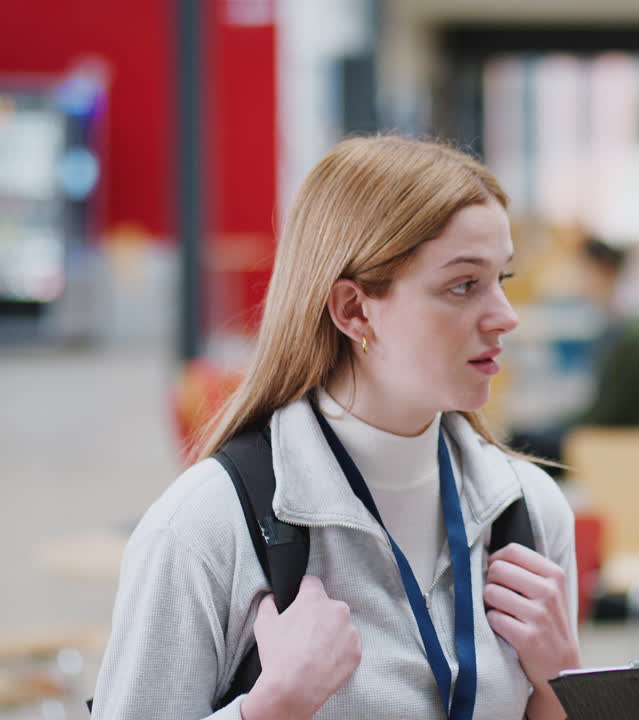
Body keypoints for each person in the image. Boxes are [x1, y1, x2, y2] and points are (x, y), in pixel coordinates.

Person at [90, 137, 579, 719]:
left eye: (503, 277)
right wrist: (271, 707)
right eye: (464, 285)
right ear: (352, 310)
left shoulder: (528, 512)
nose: (506, 314)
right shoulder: (206, 527)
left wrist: (560, 685)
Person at [510, 237, 639, 467]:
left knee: (521, 442)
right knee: (525, 435)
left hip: (627, 443)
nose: (577, 280)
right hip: (613, 433)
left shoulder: (629, 334)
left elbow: (603, 416)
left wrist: (548, 424)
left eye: (583, 271)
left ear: (600, 270)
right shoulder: (619, 325)